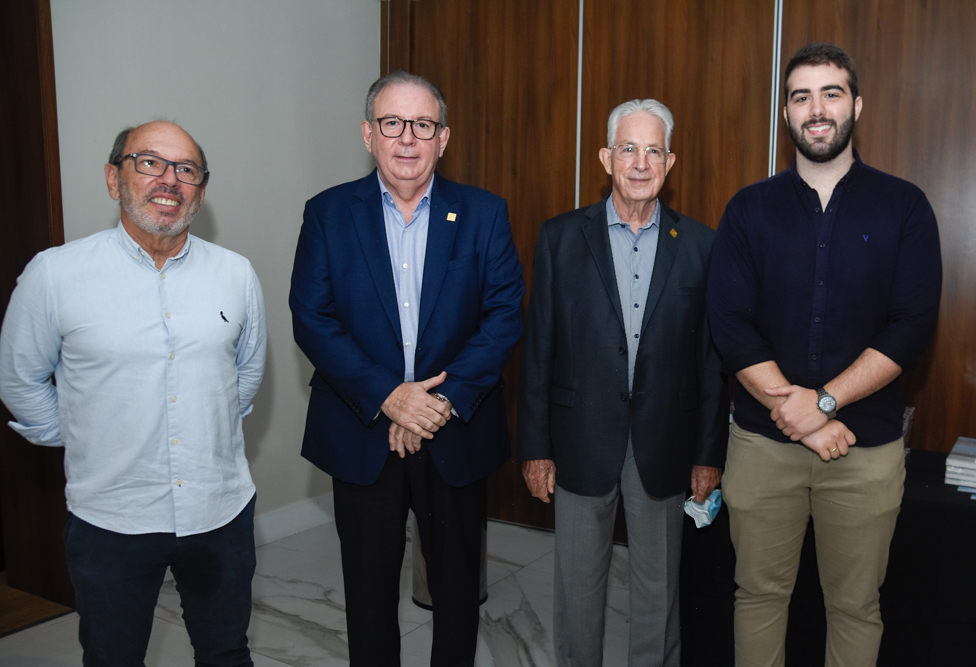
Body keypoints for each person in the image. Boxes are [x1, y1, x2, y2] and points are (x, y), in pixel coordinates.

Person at [707, 43, 942, 667]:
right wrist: (799, 413)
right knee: (757, 595)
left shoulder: (905, 207)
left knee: (856, 606)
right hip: (761, 444)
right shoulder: (748, 209)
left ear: (856, 105)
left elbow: (911, 327)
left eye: (830, 93)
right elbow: (729, 324)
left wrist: (826, 402)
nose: (816, 109)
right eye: (801, 96)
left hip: (864, 451)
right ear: (786, 113)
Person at [0, 120, 266, 666]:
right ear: (113, 177)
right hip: (111, 520)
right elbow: (19, 381)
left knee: (226, 652)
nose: (169, 180)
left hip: (220, 513)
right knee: (112, 656)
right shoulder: (55, 276)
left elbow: (244, 378)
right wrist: (80, 436)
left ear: (201, 189)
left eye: (186, 169)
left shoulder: (236, 275)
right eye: (149, 163)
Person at [289, 71, 524, 666]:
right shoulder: (327, 214)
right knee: (367, 596)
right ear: (369, 134)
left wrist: (437, 404)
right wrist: (391, 397)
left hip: (456, 433)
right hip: (363, 432)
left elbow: (503, 316)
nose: (407, 139)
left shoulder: (483, 213)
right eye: (393, 123)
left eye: (423, 125)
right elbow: (312, 318)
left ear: (443, 139)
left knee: (456, 591)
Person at [517, 98, 729, 667]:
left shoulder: (703, 247)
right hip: (579, 438)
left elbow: (712, 363)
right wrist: (535, 447)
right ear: (607, 157)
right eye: (629, 149)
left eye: (653, 150)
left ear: (671, 161)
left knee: (658, 595)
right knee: (577, 590)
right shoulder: (561, 238)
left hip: (665, 446)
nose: (641, 162)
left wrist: (708, 455)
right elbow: (538, 349)